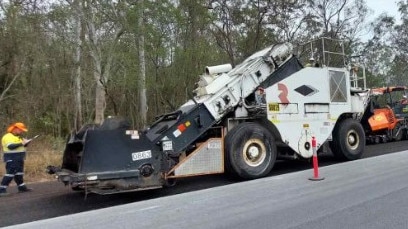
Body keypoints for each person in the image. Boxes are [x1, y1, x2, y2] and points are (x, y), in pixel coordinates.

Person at [0, 122, 32, 197]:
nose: (22, 131)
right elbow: (10, 146)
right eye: (21, 130)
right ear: (15, 128)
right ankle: (1, 190)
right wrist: (22, 143)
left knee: (19, 173)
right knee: (10, 173)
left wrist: (26, 143)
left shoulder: (19, 137)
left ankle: (21, 187)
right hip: (11, 158)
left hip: (19, 157)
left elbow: (23, 146)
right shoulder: (7, 136)